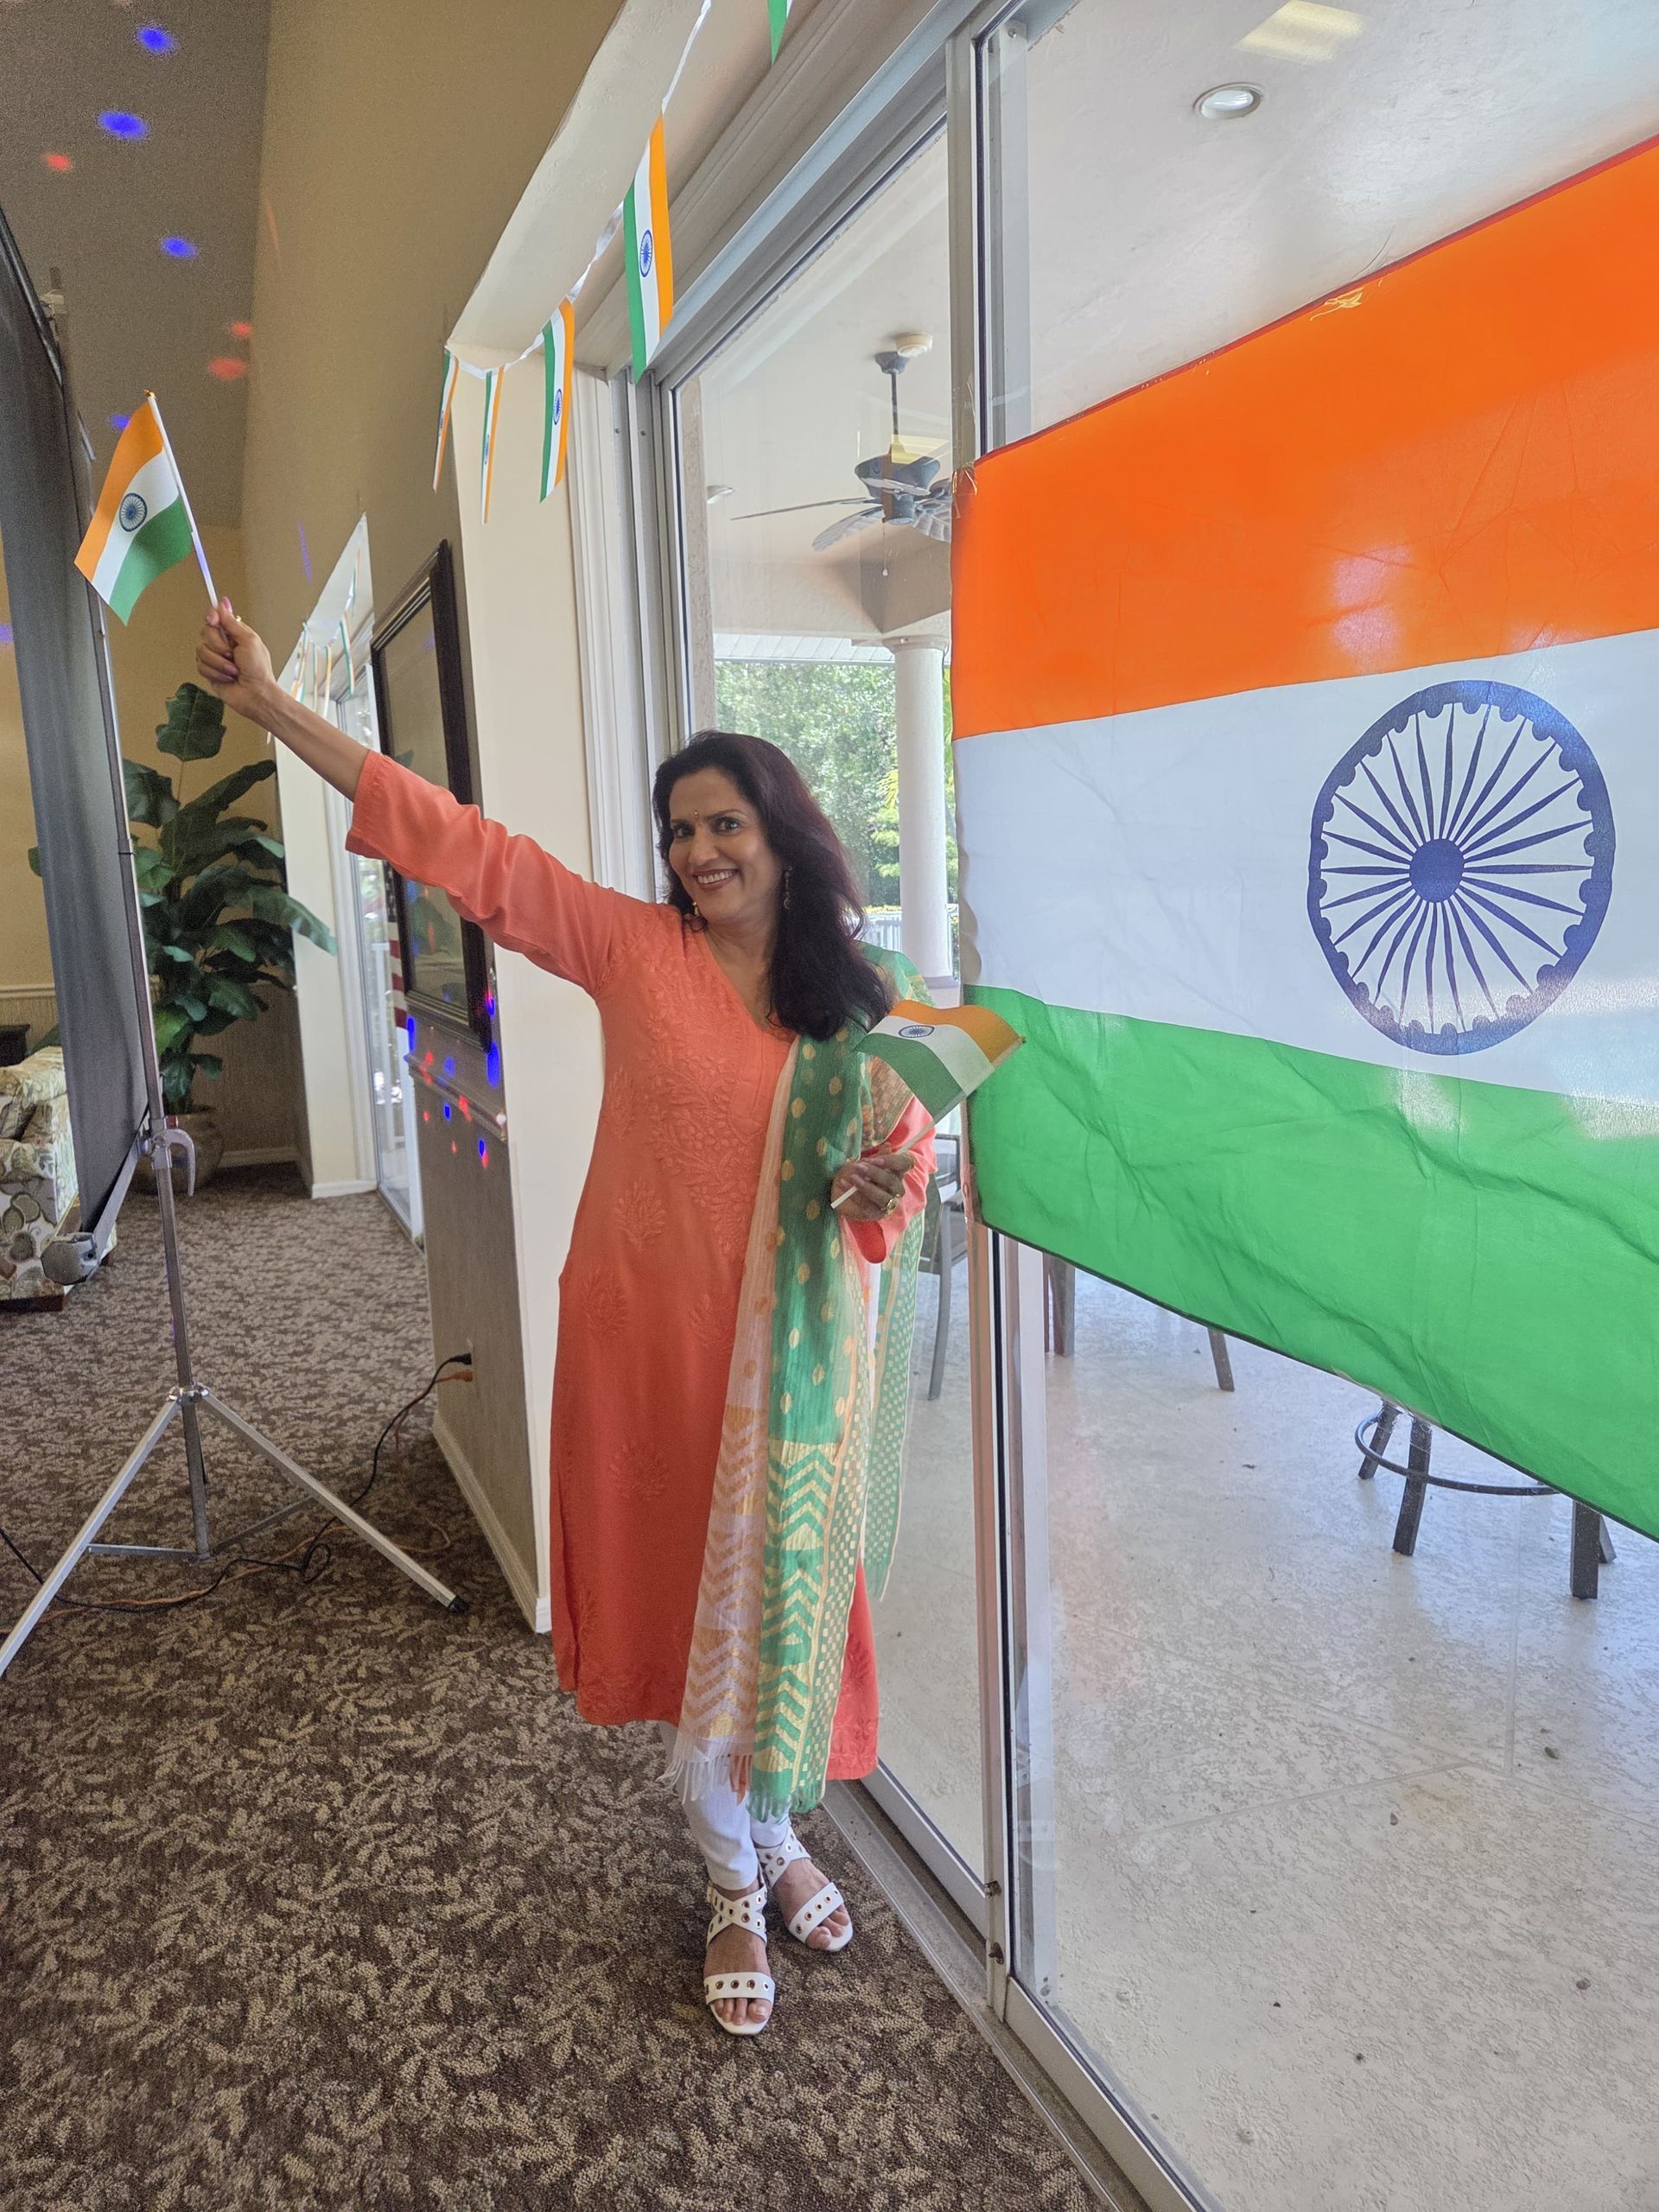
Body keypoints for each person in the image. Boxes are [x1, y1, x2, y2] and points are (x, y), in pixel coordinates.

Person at [196, 602, 935, 2037]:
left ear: (782, 831)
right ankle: (736, 1875)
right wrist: (280, 709)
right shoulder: (632, 950)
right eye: (678, 833)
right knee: (687, 1605)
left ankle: (774, 1830)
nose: (698, 855)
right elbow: (460, 845)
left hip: (792, 1366)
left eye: (723, 825)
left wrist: (874, 1184)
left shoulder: (860, 1007)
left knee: (776, 1612)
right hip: (649, 1344)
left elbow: (900, 1175)